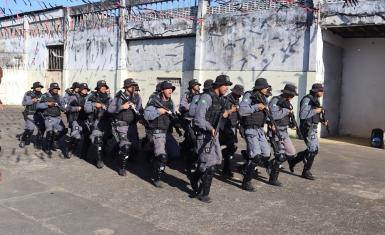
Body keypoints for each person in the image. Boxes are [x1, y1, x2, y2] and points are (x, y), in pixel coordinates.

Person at [192, 75, 233, 203]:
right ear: (218, 85)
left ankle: (195, 176)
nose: (227, 88)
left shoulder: (220, 99)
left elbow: (218, 115)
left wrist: (226, 113)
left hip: (214, 136)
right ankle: (203, 194)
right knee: (210, 167)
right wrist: (210, 128)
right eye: (225, 85)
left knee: (215, 162)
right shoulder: (206, 97)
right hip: (204, 135)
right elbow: (198, 119)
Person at [144, 81, 180, 188]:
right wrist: (159, 111)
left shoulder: (170, 102)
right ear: (162, 90)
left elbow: (172, 115)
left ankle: (158, 163)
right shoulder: (154, 101)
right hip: (156, 131)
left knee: (175, 153)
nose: (170, 90)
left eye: (171, 89)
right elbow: (146, 115)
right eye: (168, 88)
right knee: (162, 156)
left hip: (166, 131)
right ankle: (157, 177)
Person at [288, 83, 328, 180]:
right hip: (307, 128)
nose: (323, 93)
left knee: (314, 149)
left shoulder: (315, 99)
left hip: (313, 128)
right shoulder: (307, 99)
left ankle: (294, 161)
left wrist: (322, 121)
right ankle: (306, 171)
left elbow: (314, 115)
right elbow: (303, 115)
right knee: (313, 149)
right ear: (316, 91)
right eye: (321, 91)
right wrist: (316, 111)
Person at [238, 78, 271, 192]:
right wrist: (256, 107)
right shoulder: (249, 95)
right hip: (250, 129)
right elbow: (242, 111)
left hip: (260, 130)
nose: (267, 89)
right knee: (256, 155)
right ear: (260, 87)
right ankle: (246, 182)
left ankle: (245, 166)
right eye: (265, 87)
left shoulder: (264, 98)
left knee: (266, 153)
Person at [108, 78, 141, 176]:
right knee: (126, 146)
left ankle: (116, 151)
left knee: (135, 146)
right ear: (126, 87)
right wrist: (122, 107)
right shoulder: (119, 97)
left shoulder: (137, 97)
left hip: (132, 126)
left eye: (134, 85)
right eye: (131, 86)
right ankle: (121, 167)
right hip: (121, 124)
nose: (133, 87)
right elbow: (110, 109)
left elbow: (140, 109)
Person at [267, 84, 298, 186]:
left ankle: (271, 164)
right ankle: (273, 179)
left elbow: (284, 117)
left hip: (284, 131)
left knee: (291, 153)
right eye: (292, 94)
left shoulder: (287, 102)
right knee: (280, 156)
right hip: (276, 132)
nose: (293, 97)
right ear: (287, 93)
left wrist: (290, 123)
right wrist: (286, 111)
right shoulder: (275, 100)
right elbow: (273, 115)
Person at [84, 80, 111, 168]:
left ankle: (103, 152)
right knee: (98, 140)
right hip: (95, 121)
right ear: (98, 88)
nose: (103, 88)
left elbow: (113, 108)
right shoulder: (92, 96)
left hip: (107, 122)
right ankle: (99, 160)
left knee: (106, 139)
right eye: (102, 87)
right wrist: (95, 104)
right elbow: (86, 108)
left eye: (105, 87)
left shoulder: (109, 97)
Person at [219, 84, 244, 177]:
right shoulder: (226, 100)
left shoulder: (236, 100)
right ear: (234, 93)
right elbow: (223, 114)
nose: (239, 96)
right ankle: (225, 168)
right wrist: (232, 110)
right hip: (225, 127)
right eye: (238, 94)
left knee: (230, 148)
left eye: (240, 94)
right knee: (229, 147)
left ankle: (226, 168)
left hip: (233, 126)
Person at [37, 82, 66, 155]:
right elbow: (38, 106)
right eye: (54, 88)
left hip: (58, 117)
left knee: (63, 130)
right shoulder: (45, 96)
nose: (56, 90)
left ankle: (54, 140)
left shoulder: (60, 97)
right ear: (51, 89)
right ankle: (47, 148)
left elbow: (63, 107)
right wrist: (47, 104)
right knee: (50, 132)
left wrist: (64, 108)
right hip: (48, 117)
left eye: (57, 88)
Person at [63, 83, 91, 158]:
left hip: (85, 120)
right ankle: (69, 150)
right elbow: (67, 108)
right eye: (84, 89)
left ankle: (84, 153)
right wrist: (76, 108)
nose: (85, 91)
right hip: (76, 119)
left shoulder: (88, 97)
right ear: (80, 90)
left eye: (86, 89)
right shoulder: (74, 97)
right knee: (76, 137)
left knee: (88, 137)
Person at [19, 82, 44, 149]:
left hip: (39, 114)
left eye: (40, 87)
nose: (39, 88)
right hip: (30, 113)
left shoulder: (42, 95)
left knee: (42, 129)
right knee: (30, 130)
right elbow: (23, 103)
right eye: (38, 87)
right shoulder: (28, 93)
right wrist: (32, 101)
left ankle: (38, 142)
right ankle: (23, 139)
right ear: (34, 87)